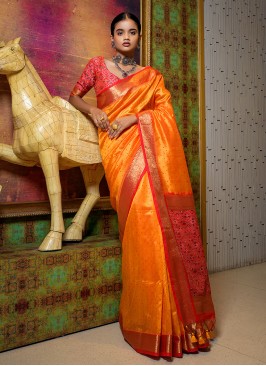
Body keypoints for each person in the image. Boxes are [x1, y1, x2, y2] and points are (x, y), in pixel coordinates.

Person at [69, 12, 216, 359]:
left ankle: (167, 322)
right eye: (120, 32)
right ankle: (143, 315)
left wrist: (134, 116)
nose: (126, 37)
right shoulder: (96, 65)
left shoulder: (150, 76)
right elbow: (75, 96)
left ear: (138, 37)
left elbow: (164, 113)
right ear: (111, 38)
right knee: (137, 229)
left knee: (154, 226)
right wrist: (93, 112)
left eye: (132, 32)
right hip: (117, 151)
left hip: (146, 147)